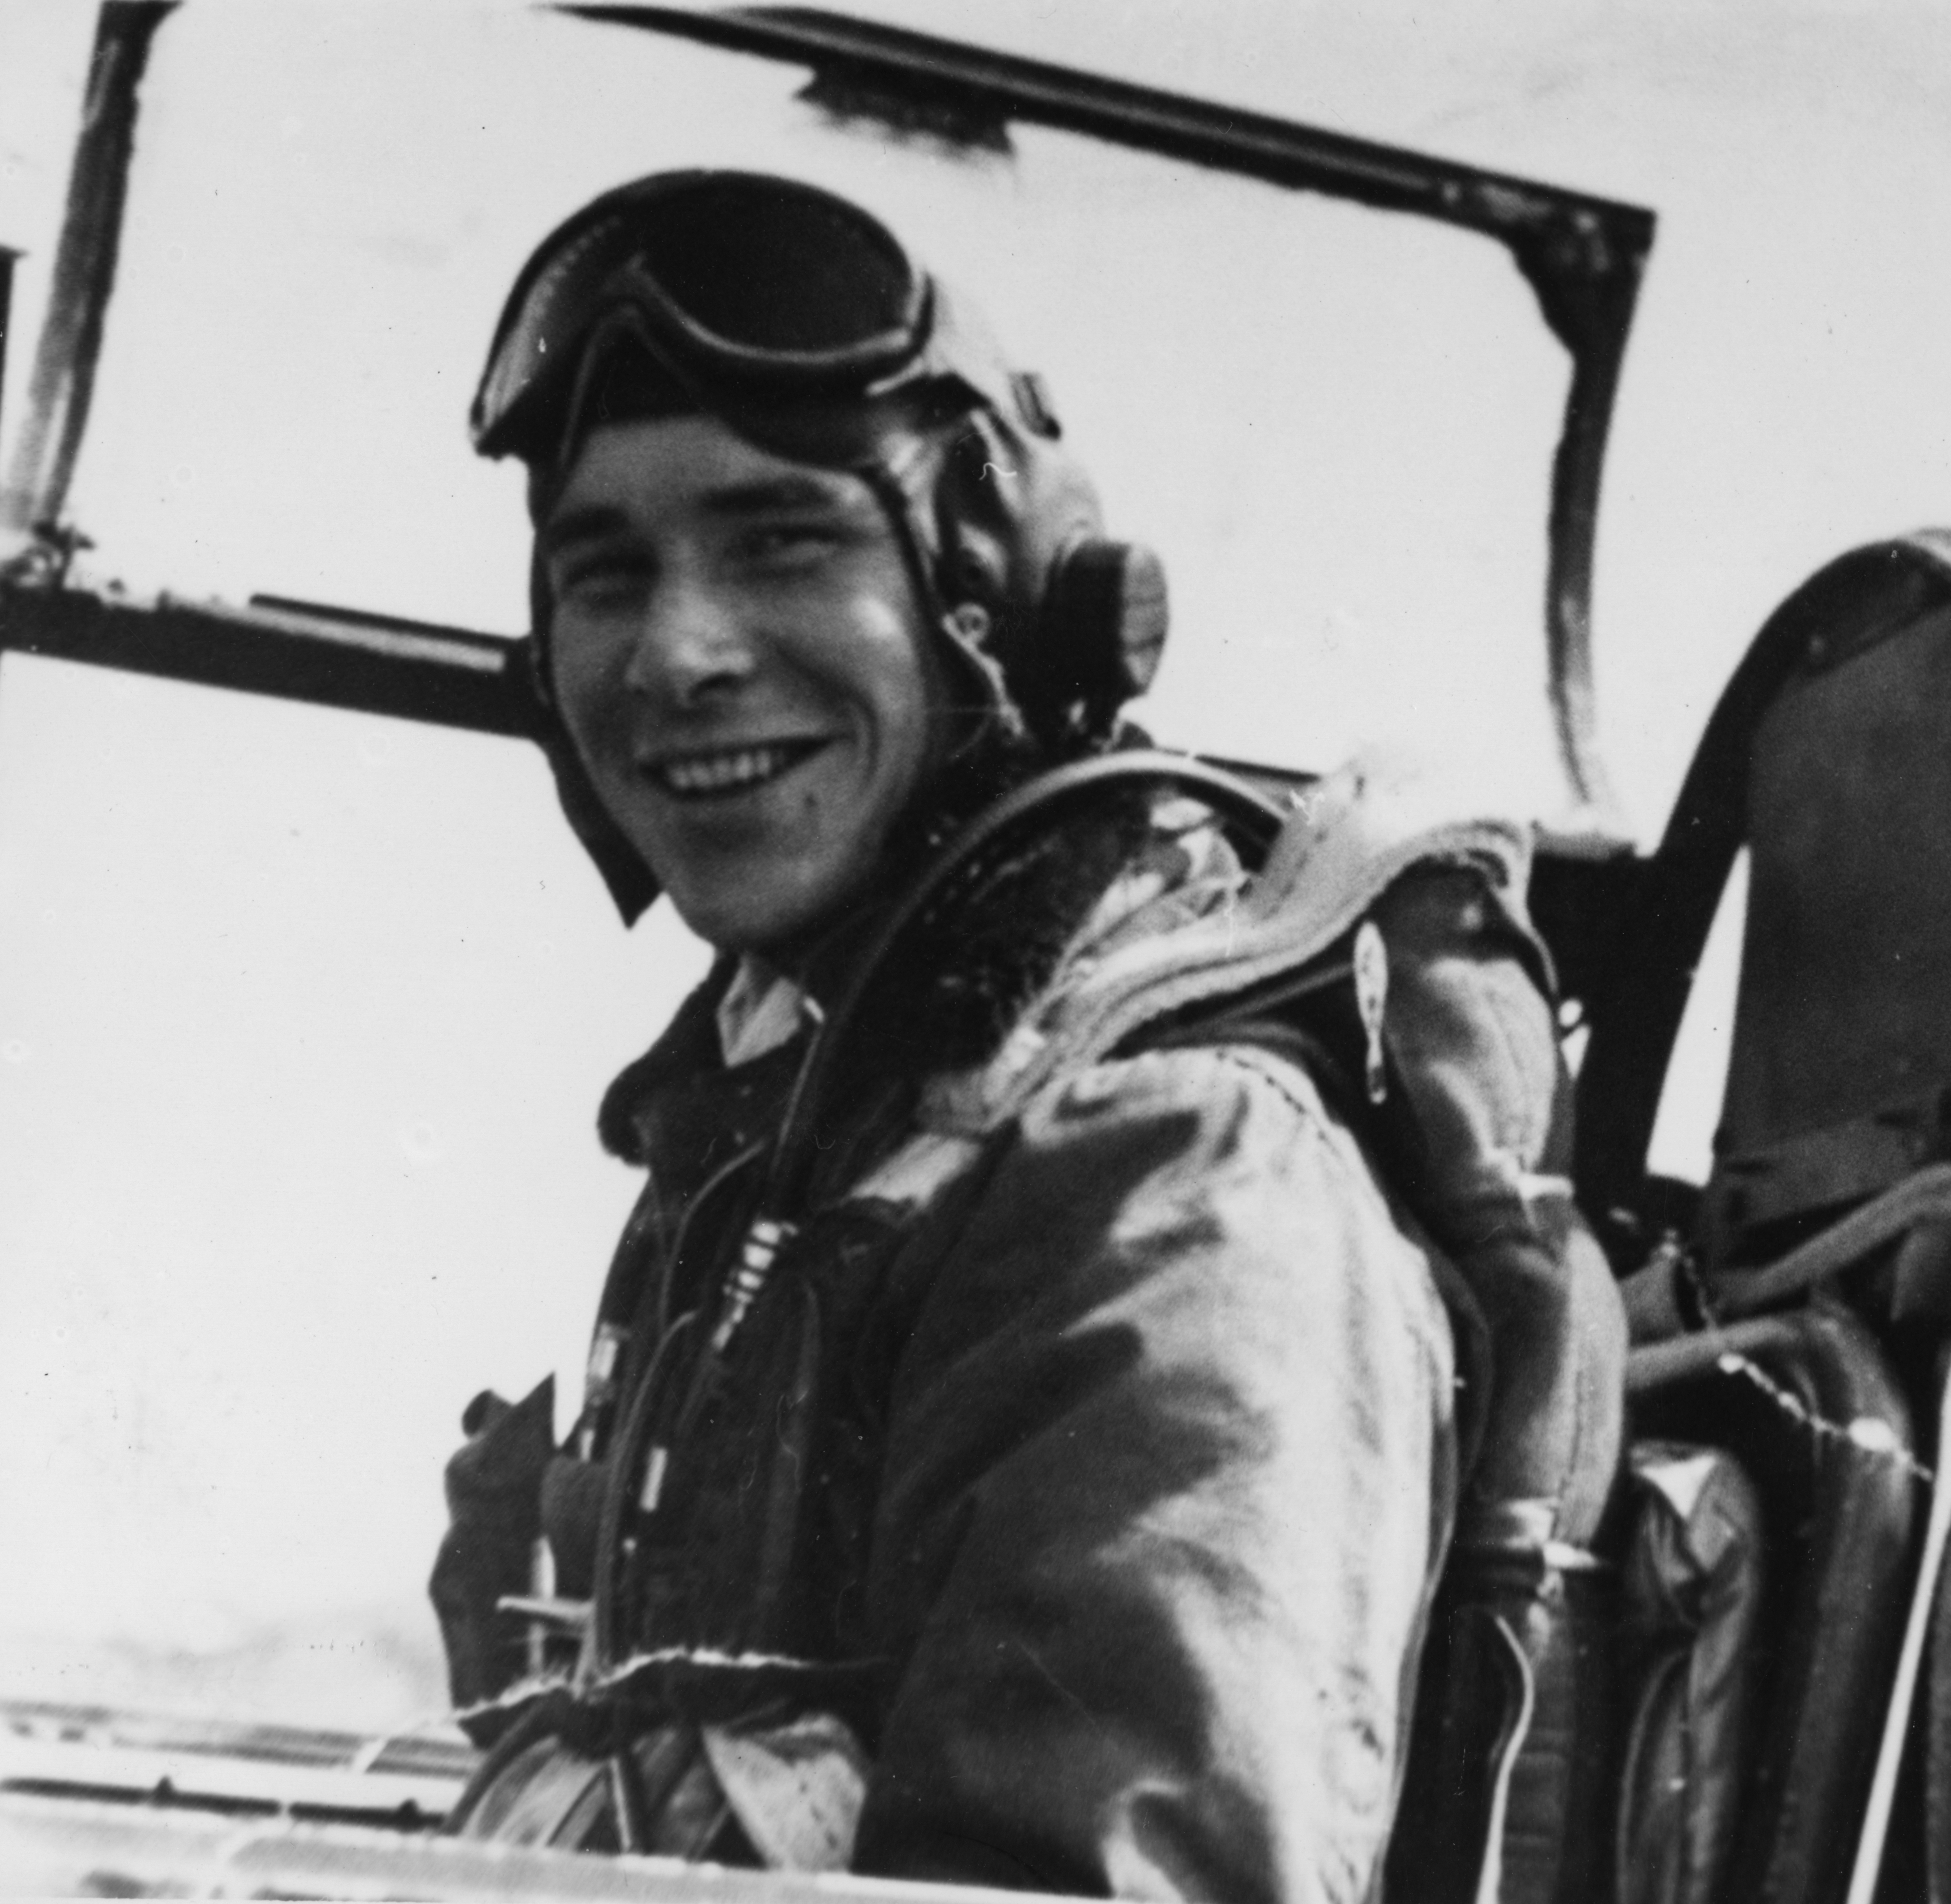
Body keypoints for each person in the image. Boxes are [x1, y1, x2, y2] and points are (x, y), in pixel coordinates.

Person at [429, 170, 1622, 1900]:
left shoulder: (1173, 1174)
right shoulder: (833, 1124)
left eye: (783, 542)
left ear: (999, 606)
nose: (675, 651)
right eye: (604, 573)